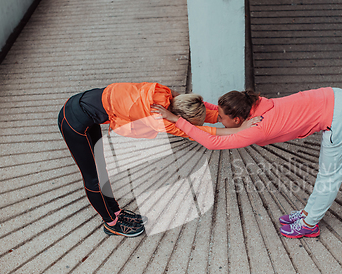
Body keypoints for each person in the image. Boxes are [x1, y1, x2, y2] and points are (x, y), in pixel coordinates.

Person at [152, 87, 342, 239]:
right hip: (337, 96)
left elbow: (213, 142)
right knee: (325, 174)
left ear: (236, 121)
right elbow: (216, 110)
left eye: (221, 118)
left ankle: (309, 225)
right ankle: (308, 213)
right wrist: (185, 103)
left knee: (330, 174)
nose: (217, 117)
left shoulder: (257, 128)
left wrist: (176, 120)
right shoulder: (251, 104)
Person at [58, 82, 257, 238]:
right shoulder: (160, 119)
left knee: (102, 168)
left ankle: (115, 213)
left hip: (81, 107)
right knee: (93, 177)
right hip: (74, 122)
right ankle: (111, 223)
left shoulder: (165, 94)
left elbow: (200, 110)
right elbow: (201, 132)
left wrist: (233, 117)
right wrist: (239, 129)